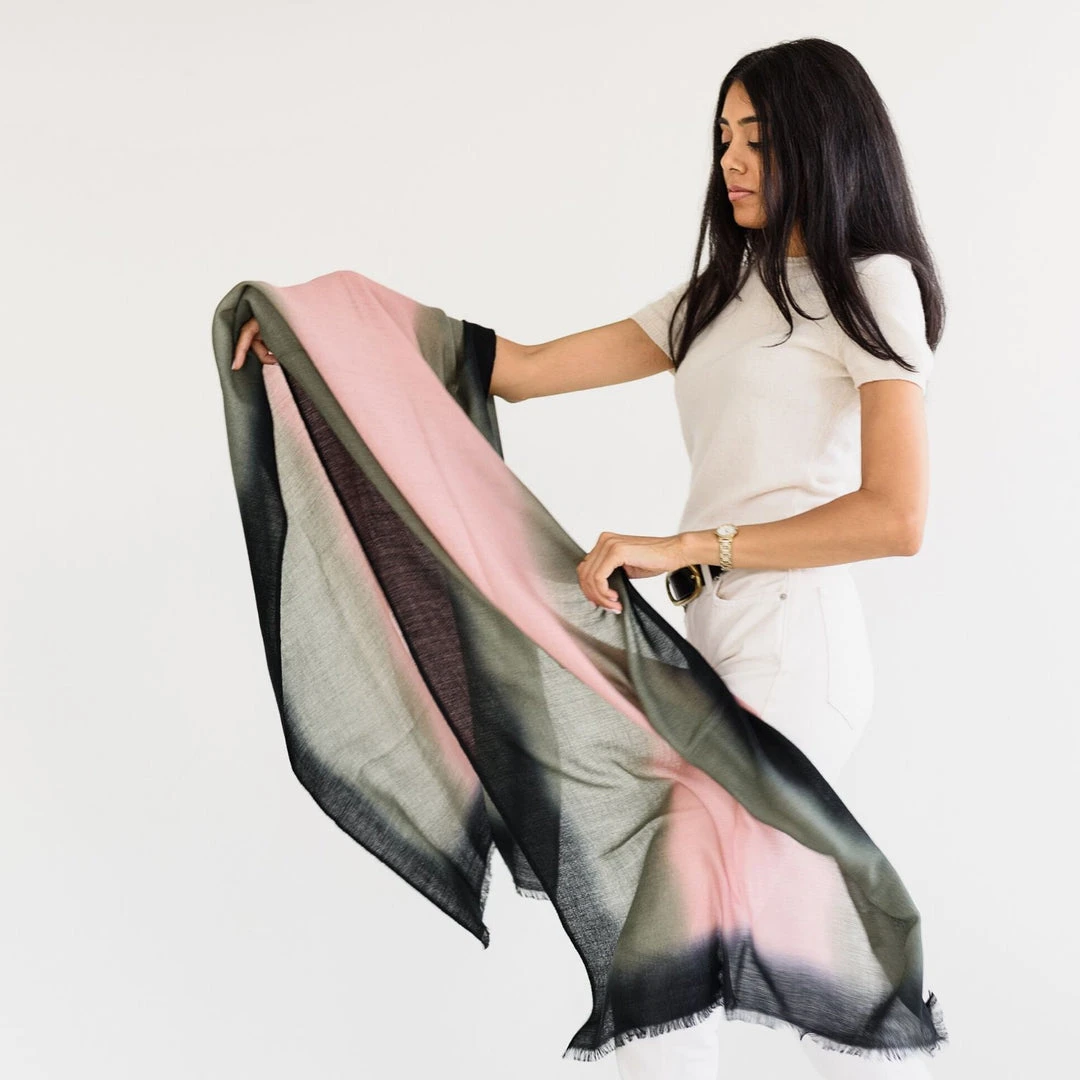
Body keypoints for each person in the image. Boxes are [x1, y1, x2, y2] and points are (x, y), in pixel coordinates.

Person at [231, 35, 944, 1079]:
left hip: (798, 646)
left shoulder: (871, 285)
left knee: (669, 936)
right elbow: (517, 370)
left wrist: (690, 542)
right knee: (692, 947)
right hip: (705, 644)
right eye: (723, 137)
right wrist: (326, 324)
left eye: (758, 138)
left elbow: (895, 516)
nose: (732, 160)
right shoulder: (714, 298)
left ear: (824, 144)